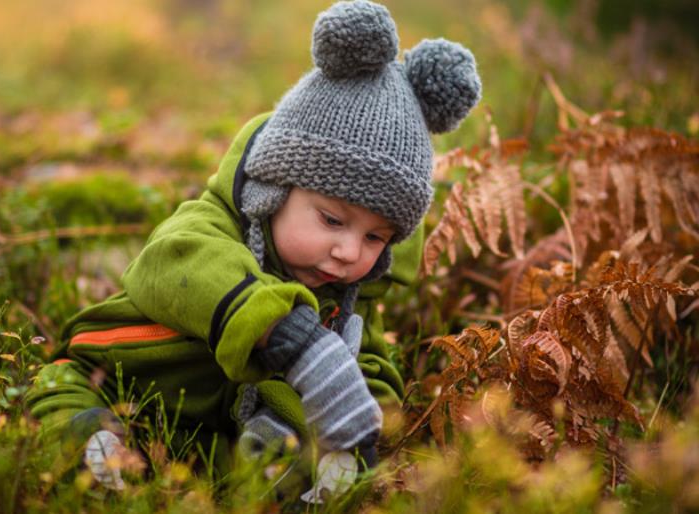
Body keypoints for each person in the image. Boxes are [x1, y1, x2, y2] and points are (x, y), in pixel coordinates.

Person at [26, 0, 480, 494]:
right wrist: (286, 331)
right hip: (118, 376)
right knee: (63, 393)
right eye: (331, 220)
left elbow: (368, 359)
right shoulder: (210, 226)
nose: (350, 251)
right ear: (274, 190)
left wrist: (362, 419)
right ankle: (90, 444)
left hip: (208, 430)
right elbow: (174, 262)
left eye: (376, 237)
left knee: (302, 447)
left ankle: (272, 468)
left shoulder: (349, 292)